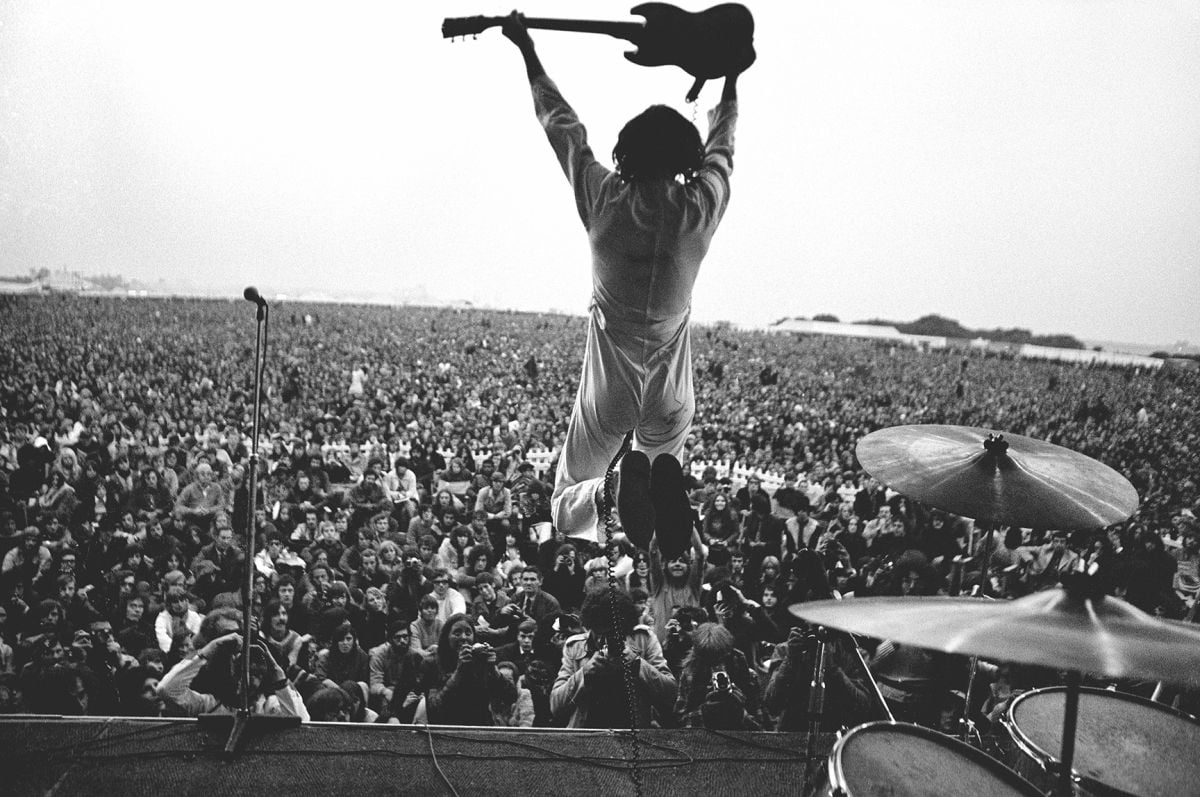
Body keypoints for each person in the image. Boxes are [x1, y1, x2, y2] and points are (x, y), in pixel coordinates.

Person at [499, 13, 743, 555]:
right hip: (672, 391)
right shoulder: (699, 208)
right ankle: (660, 492)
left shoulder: (603, 199)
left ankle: (610, 490)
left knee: (565, 504)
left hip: (611, 387)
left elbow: (563, 127)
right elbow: (723, 148)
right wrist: (729, 79)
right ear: (686, 158)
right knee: (660, 473)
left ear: (625, 153)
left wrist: (527, 50)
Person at [551, 586, 677, 728]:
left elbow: (670, 694)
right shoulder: (575, 647)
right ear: (590, 627)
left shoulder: (643, 640)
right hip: (587, 733)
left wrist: (638, 665)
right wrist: (584, 674)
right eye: (600, 633)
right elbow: (556, 705)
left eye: (613, 634)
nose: (605, 640)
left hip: (633, 732)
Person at [157, 607, 308, 719]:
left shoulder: (268, 704)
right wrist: (210, 649)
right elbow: (167, 690)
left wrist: (276, 672)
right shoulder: (206, 699)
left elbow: (300, 722)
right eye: (227, 637)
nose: (236, 642)